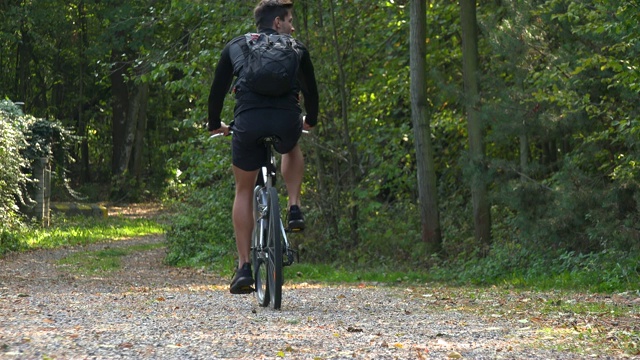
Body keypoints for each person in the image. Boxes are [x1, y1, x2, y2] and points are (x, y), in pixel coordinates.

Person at [207, 0, 319, 294]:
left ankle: (244, 267)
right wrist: (311, 120)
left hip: (248, 121)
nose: (292, 26)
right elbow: (311, 89)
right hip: (285, 119)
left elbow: (217, 90)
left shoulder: (237, 45)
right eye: (289, 20)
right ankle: (294, 206)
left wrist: (214, 123)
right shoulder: (295, 47)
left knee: (244, 190)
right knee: (291, 145)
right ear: (277, 22)